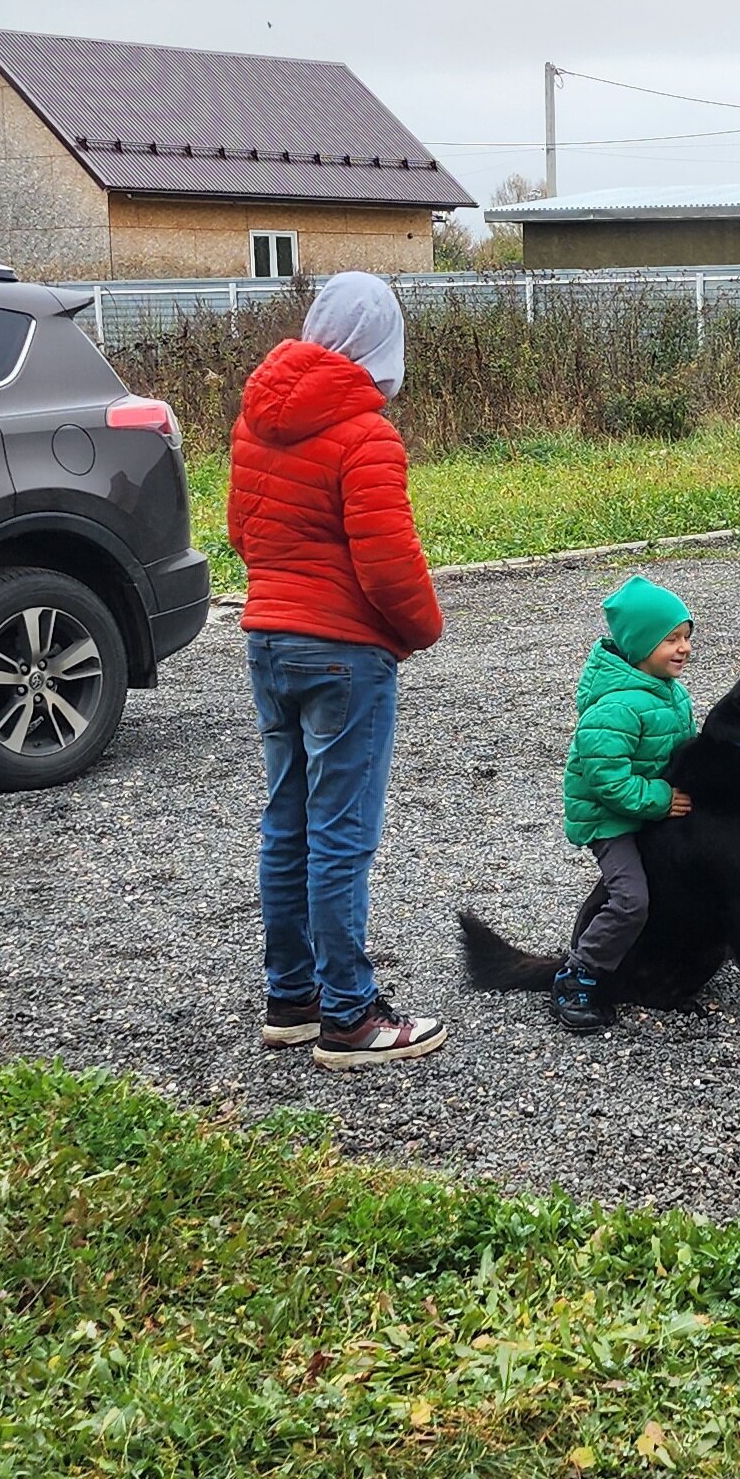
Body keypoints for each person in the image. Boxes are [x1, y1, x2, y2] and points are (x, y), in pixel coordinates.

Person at [226, 272, 446, 1070]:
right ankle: (350, 1015)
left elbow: (241, 532)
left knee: (286, 822)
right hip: (345, 653)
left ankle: (292, 998)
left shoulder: (256, 420)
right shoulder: (366, 435)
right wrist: (422, 629)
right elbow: (390, 567)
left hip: (268, 638)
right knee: (340, 836)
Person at [551, 575, 696, 1034]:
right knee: (631, 898)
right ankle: (579, 975)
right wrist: (660, 800)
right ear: (638, 644)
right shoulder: (614, 706)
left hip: (644, 811)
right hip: (611, 820)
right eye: (670, 639)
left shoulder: (666, 690)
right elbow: (606, 780)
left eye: (687, 637)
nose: (683, 647)